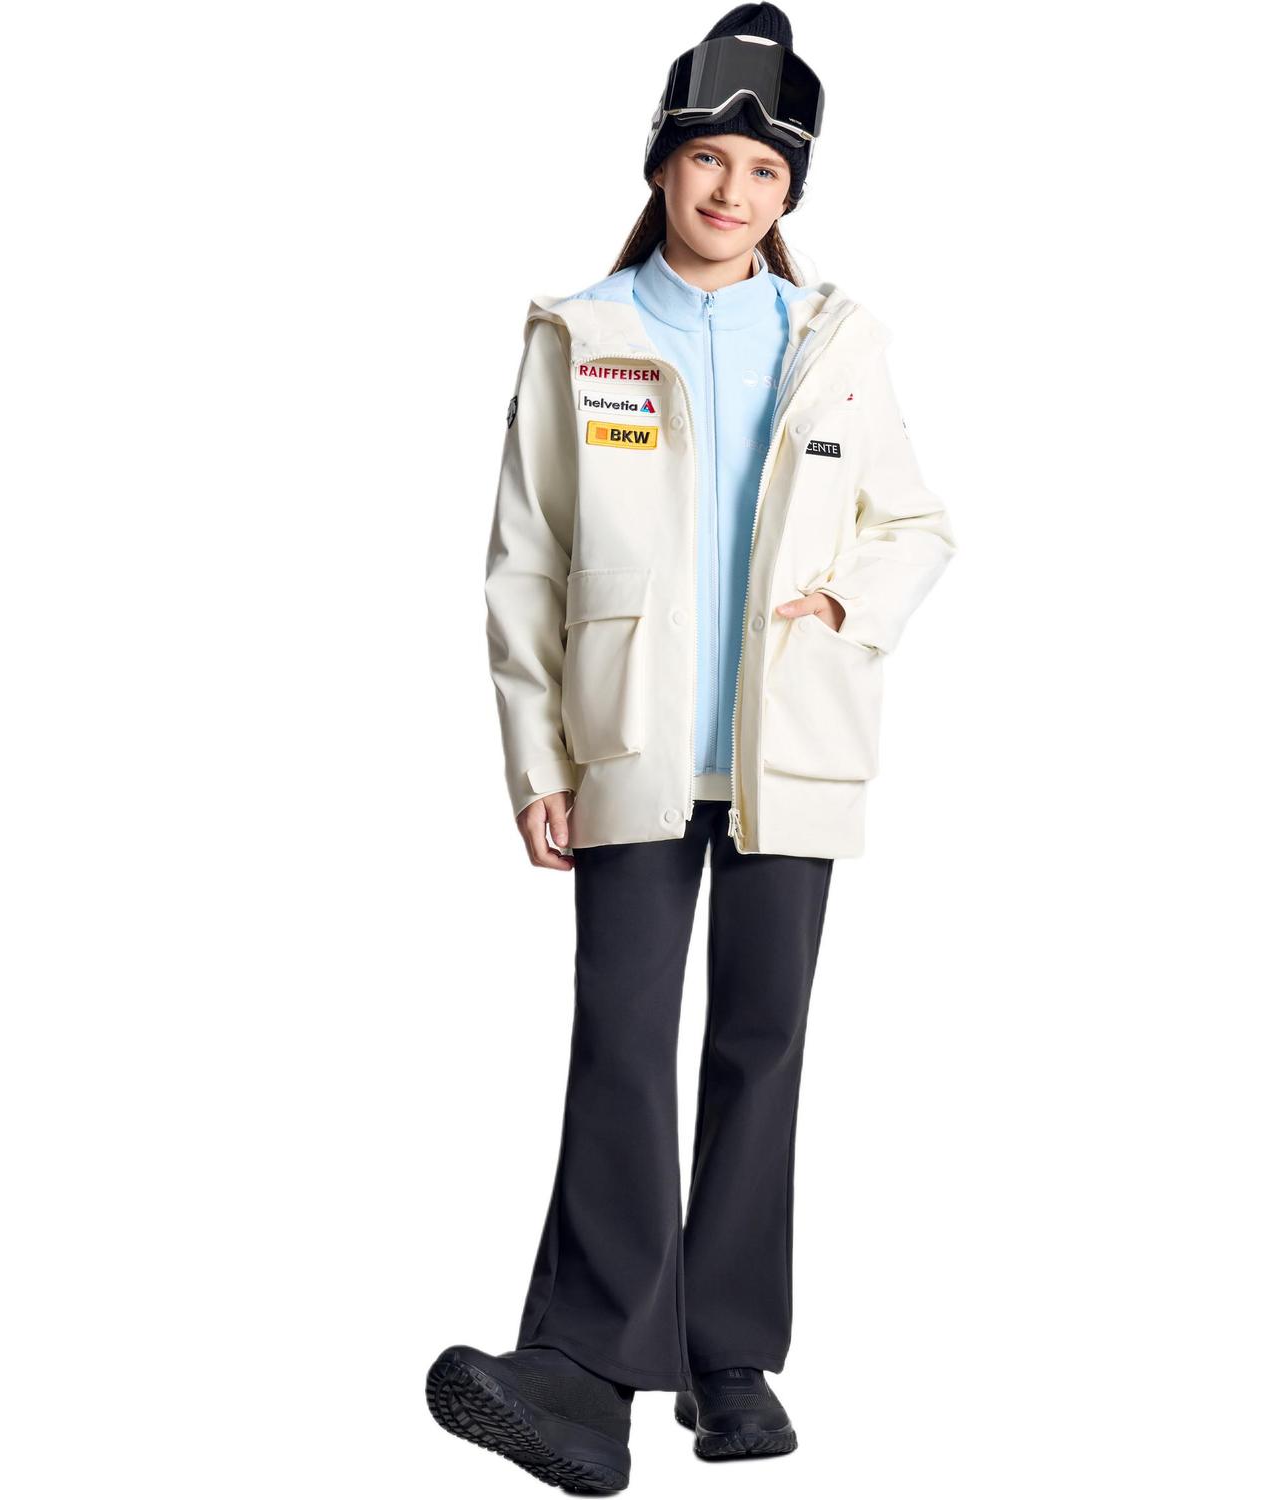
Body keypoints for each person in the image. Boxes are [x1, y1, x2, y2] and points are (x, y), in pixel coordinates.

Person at [426, 6, 957, 1490]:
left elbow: (918, 524)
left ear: (790, 194)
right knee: (622, 1039)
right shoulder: (583, 335)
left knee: (760, 1045)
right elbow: (525, 560)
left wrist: (848, 603)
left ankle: (727, 1360)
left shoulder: (834, 342)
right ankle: (589, 1374)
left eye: (764, 173)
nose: (733, 192)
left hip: (795, 746)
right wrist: (537, 759)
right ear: (663, 166)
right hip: (629, 746)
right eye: (710, 160)